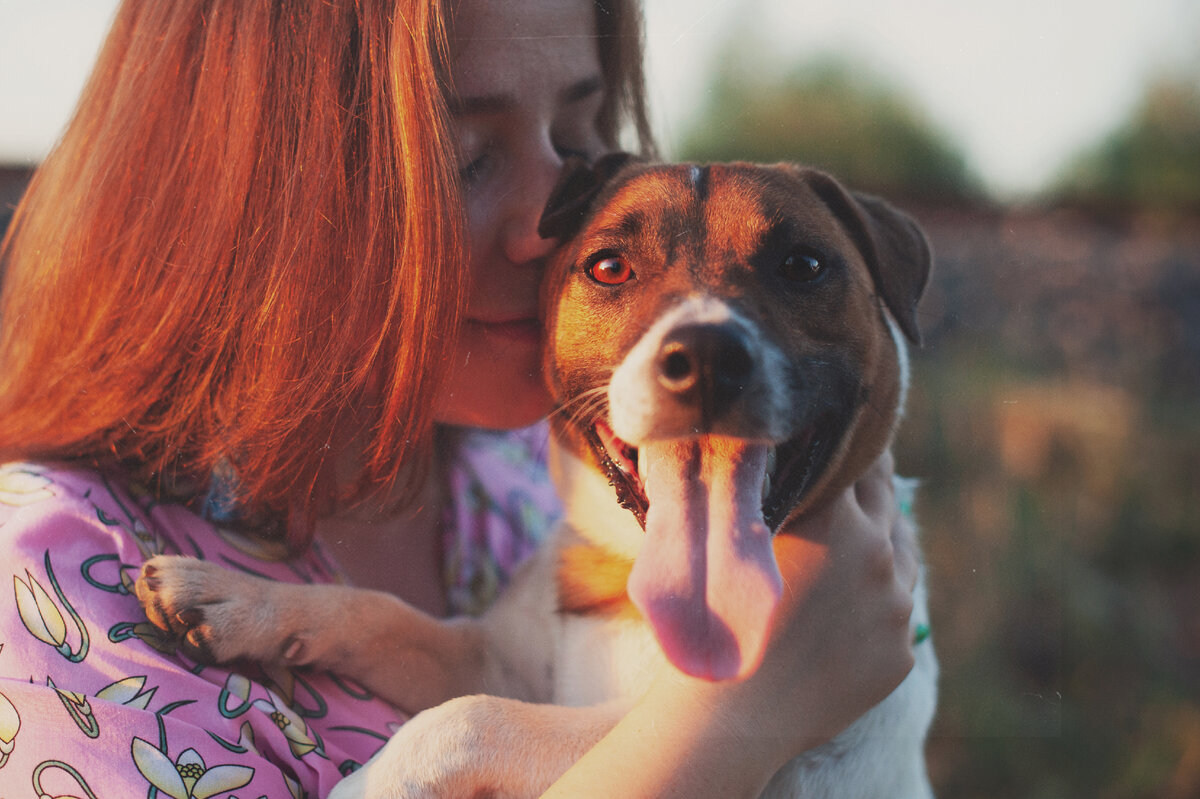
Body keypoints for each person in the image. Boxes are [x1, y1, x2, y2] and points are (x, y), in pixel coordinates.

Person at [0, 0, 919, 796]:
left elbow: (492, 665)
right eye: (469, 158)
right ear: (252, 189)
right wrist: (742, 720)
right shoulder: (56, 589)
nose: (553, 224)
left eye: (578, 142)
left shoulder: (531, 478)